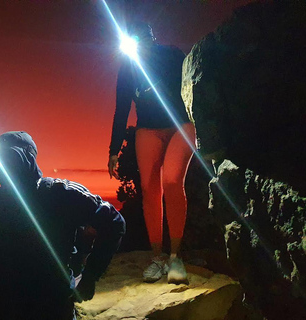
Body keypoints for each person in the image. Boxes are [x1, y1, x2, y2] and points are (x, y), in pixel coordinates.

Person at [0, 131, 126, 320]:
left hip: (52, 307)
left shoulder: (61, 193)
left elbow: (114, 223)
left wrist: (90, 278)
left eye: (8, 158)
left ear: (29, 158)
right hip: (3, 307)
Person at [108, 22, 196, 284]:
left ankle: (175, 257)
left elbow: (193, 84)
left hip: (181, 125)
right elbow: (121, 110)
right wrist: (113, 151)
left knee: (171, 180)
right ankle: (157, 257)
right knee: (149, 189)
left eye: (143, 39)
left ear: (152, 37)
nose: (140, 46)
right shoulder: (128, 69)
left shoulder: (171, 55)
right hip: (147, 129)